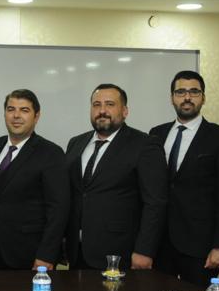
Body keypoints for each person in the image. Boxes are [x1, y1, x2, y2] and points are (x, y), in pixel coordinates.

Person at [65, 84, 168, 271]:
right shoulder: (76, 143)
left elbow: (155, 203)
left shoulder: (145, 145)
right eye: (96, 105)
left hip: (120, 253)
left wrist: (145, 250)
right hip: (76, 252)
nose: (102, 110)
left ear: (125, 111)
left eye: (110, 104)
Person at [150, 71, 219, 286]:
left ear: (203, 97)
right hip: (159, 243)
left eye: (194, 92)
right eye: (181, 92)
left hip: (200, 246)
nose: (187, 97)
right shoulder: (156, 134)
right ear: (172, 97)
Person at [0, 89, 69, 271]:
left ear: (36, 116)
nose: (16, 116)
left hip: (29, 254)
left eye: (24, 110)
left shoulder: (51, 153)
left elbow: (58, 209)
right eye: (11, 109)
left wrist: (47, 254)